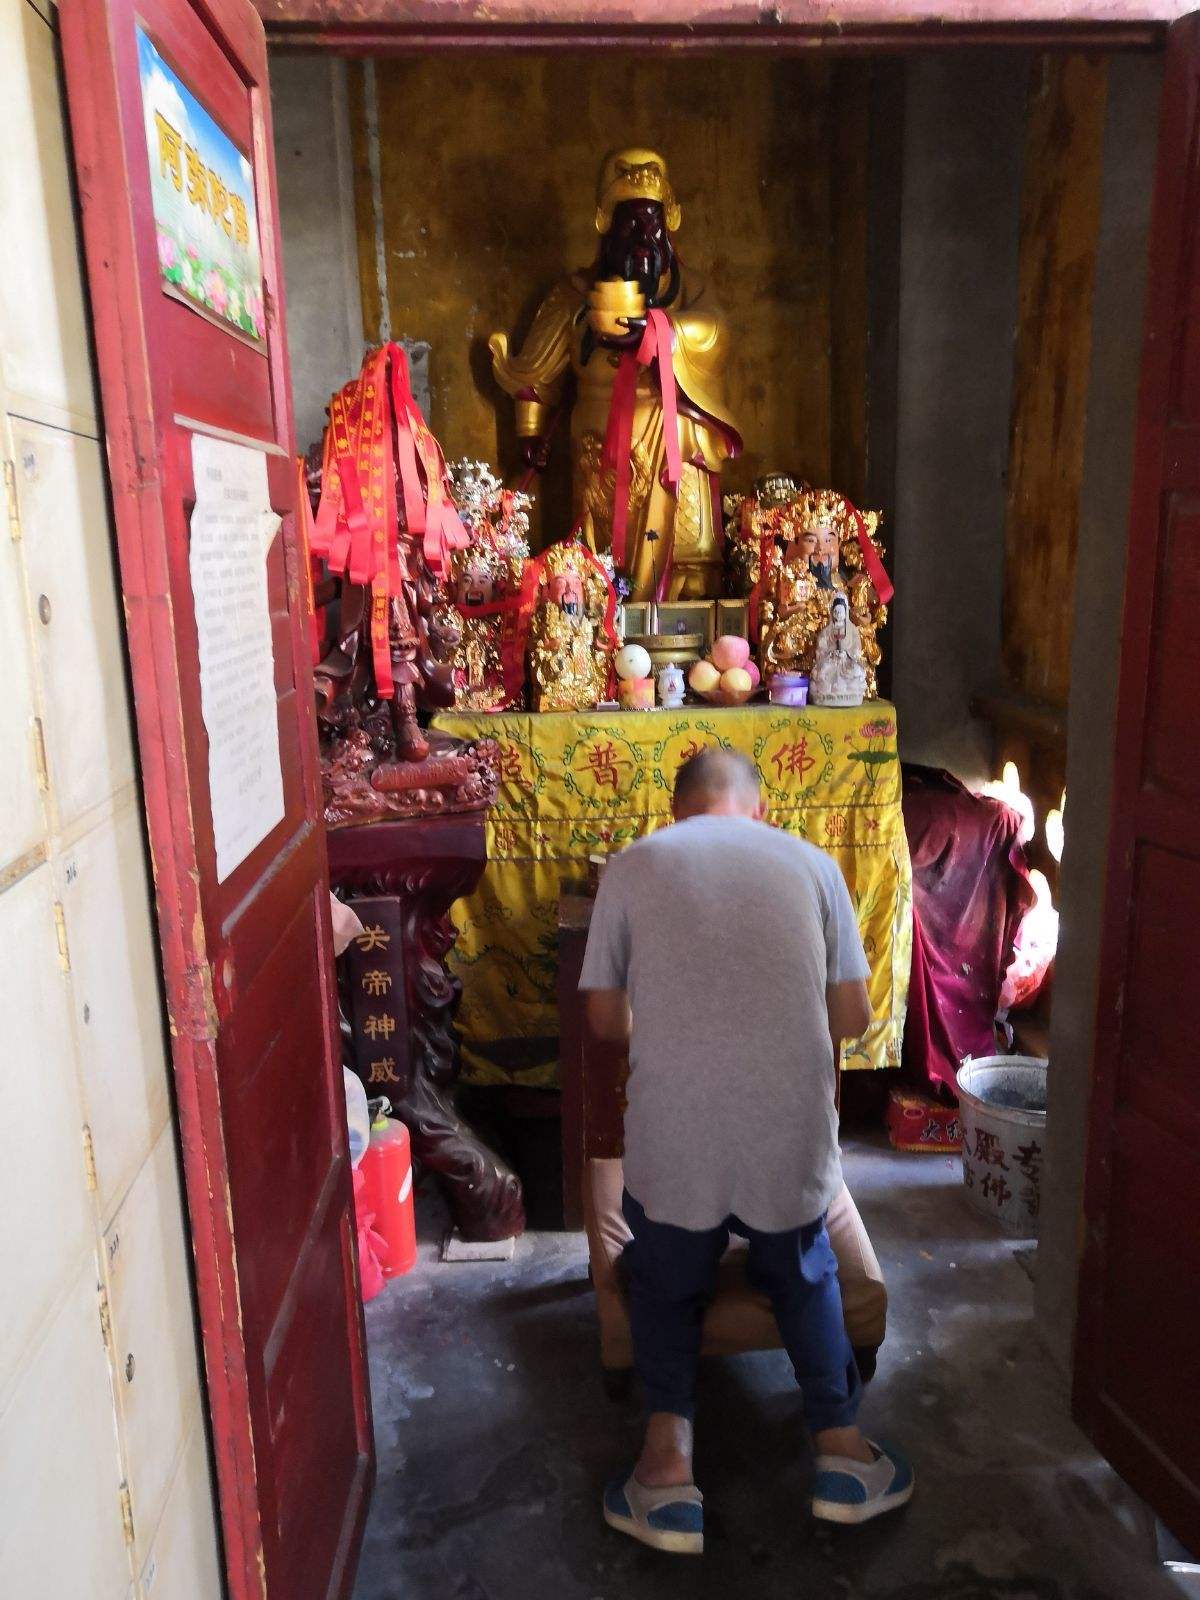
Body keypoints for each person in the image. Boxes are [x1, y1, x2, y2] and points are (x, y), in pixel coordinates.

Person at [579, 748, 913, 1554]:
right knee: (802, 1266)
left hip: (674, 1137)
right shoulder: (812, 863)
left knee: (665, 1274)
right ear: (757, 810)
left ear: (679, 810)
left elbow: (602, 1022)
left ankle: (666, 1473)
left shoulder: (631, 866)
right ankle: (841, 1456)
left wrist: (676, 1019)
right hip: (788, 1133)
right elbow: (852, 1017)